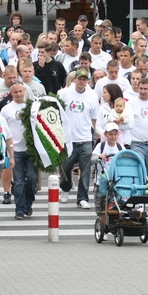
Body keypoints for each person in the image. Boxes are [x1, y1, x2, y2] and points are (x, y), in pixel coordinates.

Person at [58, 68, 99, 208]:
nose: (81, 82)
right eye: (79, 79)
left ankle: (82, 198)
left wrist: (96, 133)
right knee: (65, 168)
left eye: (84, 79)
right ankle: (65, 187)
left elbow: (94, 118)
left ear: (87, 81)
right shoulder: (64, 93)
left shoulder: (92, 96)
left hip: (85, 138)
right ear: (74, 79)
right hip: (68, 139)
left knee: (85, 170)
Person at [0, 82, 37, 219]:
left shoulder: (32, 106)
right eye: (16, 92)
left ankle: (28, 203)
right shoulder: (6, 109)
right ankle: (19, 209)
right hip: (15, 150)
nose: (19, 94)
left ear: (25, 91)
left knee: (32, 179)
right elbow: (3, 129)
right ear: (11, 93)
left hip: (30, 149)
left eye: (21, 91)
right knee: (19, 180)